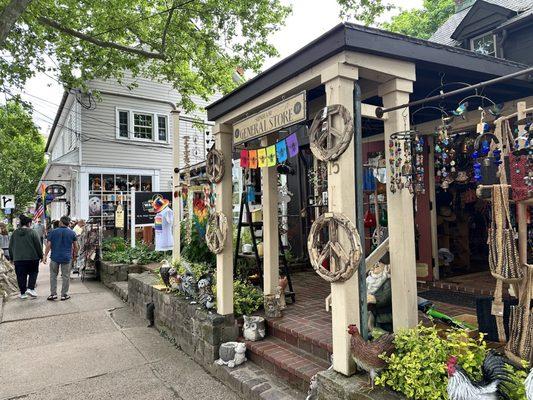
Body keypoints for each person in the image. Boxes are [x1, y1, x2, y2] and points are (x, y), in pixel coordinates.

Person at [8, 215, 43, 299]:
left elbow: (11, 246)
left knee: (20, 276)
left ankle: (23, 293)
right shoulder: (33, 232)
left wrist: (12, 258)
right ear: (29, 223)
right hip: (32, 258)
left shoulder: (14, 233)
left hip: (18, 259)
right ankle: (31, 288)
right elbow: (38, 245)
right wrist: (41, 255)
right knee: (33, 273)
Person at [43, 216, 78, 301]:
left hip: (55, 257)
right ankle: (64, 294)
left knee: (53, 276)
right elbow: (76, 246)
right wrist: (75, 256)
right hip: (66, 257)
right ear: (68, 223)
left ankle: (53, 294)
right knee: (66, 276)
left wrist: (45, 255)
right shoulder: (72, 233)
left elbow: (48, 245)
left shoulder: (53, 232)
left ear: (61, 222)